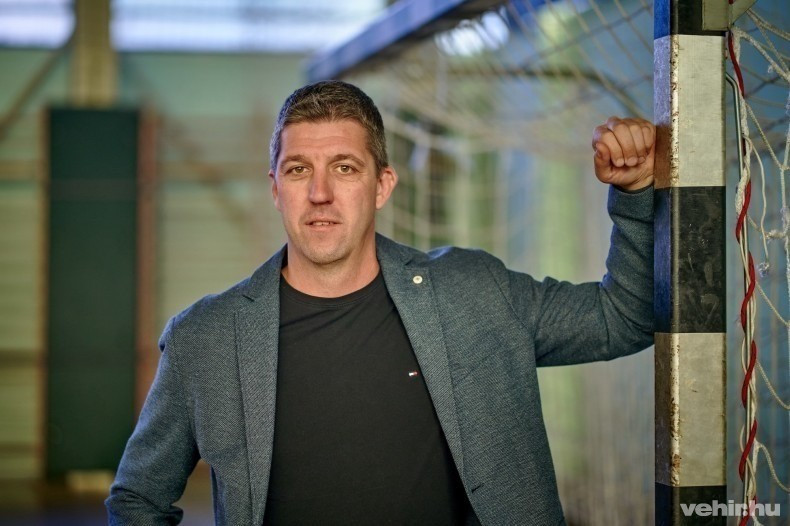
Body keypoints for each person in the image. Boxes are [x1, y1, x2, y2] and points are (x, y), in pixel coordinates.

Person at [106, 80, 655, 525]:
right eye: (299, 170)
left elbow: (624, 317)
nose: (320, 193)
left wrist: (633, 197)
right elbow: (138, 498)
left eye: (345, 168)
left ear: (382, 185)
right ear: (275, 188)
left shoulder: (474, 293)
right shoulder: (205, 337)